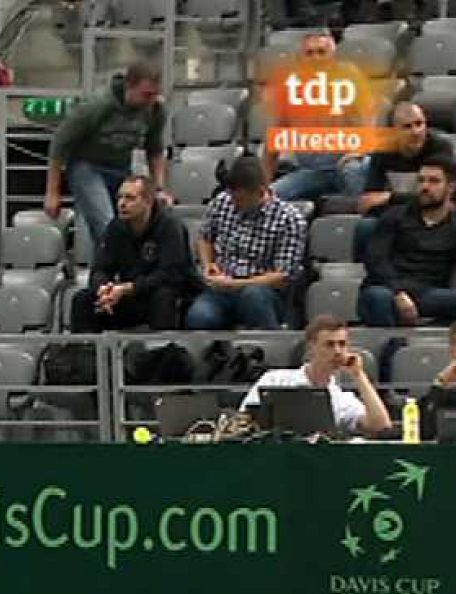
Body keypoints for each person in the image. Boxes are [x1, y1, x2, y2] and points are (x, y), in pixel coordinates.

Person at [45, 60, 171, 249]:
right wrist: (52, 192)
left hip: (120, 167)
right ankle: (110, 271)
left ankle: (121, 270)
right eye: (146, 95)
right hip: (87, 166)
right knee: (106, 223)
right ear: (130, 86)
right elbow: (59, 145)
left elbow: (154, 150)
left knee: (130, 222)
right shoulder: (97, 106)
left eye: (155, 95)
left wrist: (159, 188)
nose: (151, 100)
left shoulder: (154, 110)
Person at [185, 157, 309, 330]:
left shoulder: (289, 219)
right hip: (222, 285)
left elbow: (282, 276)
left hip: (263, 289)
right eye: (232, 197)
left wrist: (236, 284)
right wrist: (208, 265)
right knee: (199, 317)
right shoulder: (223, 201)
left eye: (240, 200)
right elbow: (205, 237)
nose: (234, 204)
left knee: (253, 297)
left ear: (260, 192)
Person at [70, 175, 195, 332]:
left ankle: (162, 351)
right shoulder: (116, 227)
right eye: (119, 198)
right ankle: (85, 352)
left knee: (163, 296)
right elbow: (100, 268)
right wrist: (103, 289)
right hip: (129, 295)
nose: (122, 203)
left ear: (148, 202)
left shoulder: (170, 227)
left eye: (129, 198)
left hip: (163, 296)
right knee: (83, 300)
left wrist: (130, 288)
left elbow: (171, 275)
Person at [239, 313, 392, 435]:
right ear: (312, 347)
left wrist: (358, 375)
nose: (338, 351)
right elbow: (243, 421)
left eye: (342, 344)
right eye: (329, 344)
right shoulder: (275, 379)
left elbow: (381, 425)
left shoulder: (342, 400)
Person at [264, 32, 371, 203]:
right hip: (312, 171)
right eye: (310, 53)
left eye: (321, 52)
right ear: (300, 60)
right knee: (270, 196)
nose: (315, 58)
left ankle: (357, 217)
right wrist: (264, 182)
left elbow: (367, 128)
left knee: (353, 170)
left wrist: (356, 152)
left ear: (333, 57)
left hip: (347, 164)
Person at [359, 158, 456, 326]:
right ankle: (393, 348)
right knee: (377, 297)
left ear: (451, 188)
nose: (425, 187)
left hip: (429, 294)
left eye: (434, 181)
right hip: (388, 290)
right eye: (421, 180)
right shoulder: (394, 216)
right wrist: (399, 293)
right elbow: (376, 262)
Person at [355, 103, 454, 255]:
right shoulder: (383, 151)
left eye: (419, 124)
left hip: (435, 214)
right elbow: (371, 200)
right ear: (393, 132)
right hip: (399, 215)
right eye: (407, 127)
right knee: (365, 226)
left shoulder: (440, 148)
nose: (416, 131)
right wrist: (394, 206)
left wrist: (391, 197)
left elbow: (442, 197)